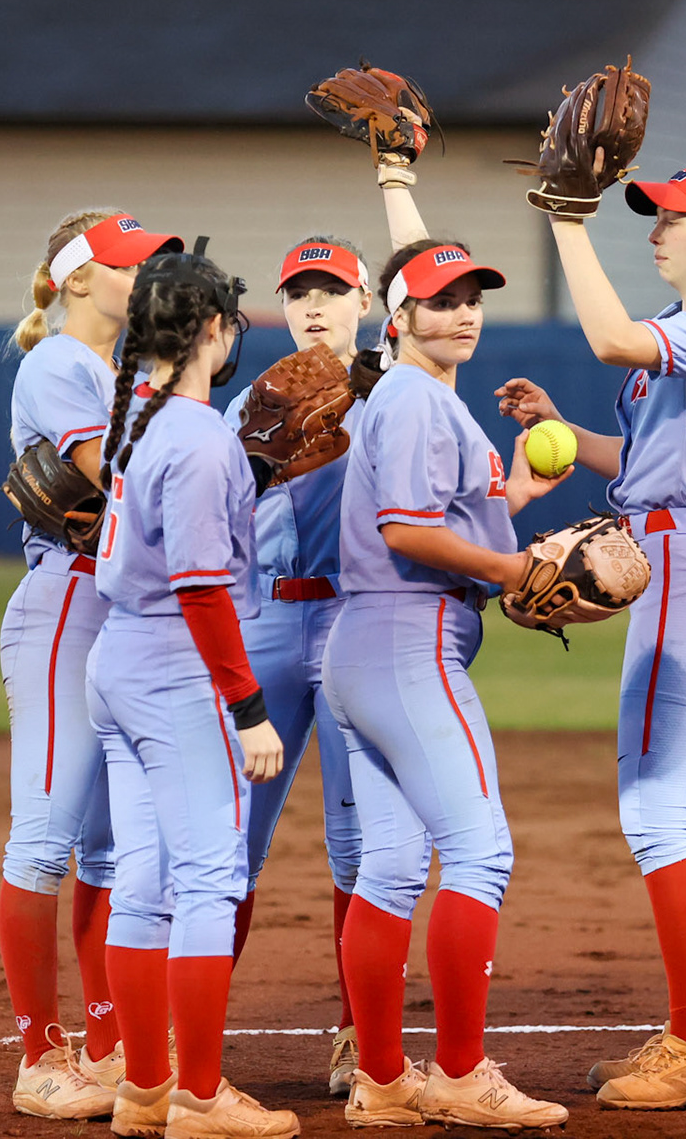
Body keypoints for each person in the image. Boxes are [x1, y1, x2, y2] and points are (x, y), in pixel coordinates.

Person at [496, 163, 686, 1109]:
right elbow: (643, 458)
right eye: (651, 217)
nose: (655, 231)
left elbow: (612, 336)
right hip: (683, 560)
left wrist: (568, 222)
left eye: (671, 218)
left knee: (655, 813)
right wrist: (563, 430)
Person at [320, 154, 570, 1130]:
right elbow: (406, 532)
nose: (460, 312)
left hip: (362, 648)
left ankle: (384, 1082)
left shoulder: (412, 398)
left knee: (387, 868)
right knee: (479, 850)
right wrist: (516, 569)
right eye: (438, 299)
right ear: (398, 317)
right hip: (408, 641)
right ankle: (461, 1074)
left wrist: (509, 504)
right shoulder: (419, 396)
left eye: (471, 295)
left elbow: (432, 517)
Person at [85, 247, 301, 1139]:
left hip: (118, 664)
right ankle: (202, 1098)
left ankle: (142, 1092)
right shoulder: (202, 435)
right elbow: (203, 588)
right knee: (209, 878)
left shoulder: (135, 417)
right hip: (177, 667)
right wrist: (249, 707)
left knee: (144, 879)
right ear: (213, 330)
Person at [0, 209, 182, 1119]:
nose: (151, 280)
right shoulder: (60, 363)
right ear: (78, 280)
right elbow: (110, 472)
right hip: (68, 604)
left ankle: (110, 1044)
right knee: (45, 834)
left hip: (128, 611)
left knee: (111, 846)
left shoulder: (135, 373)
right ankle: (40, 1056)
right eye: (134, 266)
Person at [221, 236, 375, 1096]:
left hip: (356, 620)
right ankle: (184, 1035)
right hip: (268, 620)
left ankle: (359, 1038)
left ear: (364, 301)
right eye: (299, 291)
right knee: (230, 842)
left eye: (332, 289)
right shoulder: (252, 400)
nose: (315, 304)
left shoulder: (392, 392)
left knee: (359, 848)